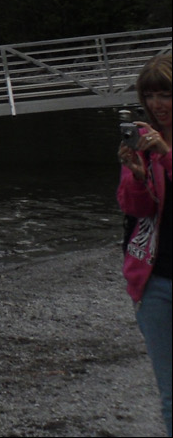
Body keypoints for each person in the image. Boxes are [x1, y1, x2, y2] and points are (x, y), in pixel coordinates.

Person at [118, 52, 172, 438]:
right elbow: (136, 209)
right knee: (170, 392)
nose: (157, 105)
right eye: (150, 96)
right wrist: (137, 175)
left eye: (165, 94)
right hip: (156, 280)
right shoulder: (142, 142)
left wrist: (166, 156)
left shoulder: (160, 147)